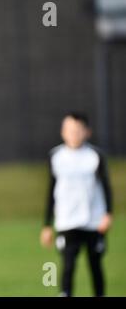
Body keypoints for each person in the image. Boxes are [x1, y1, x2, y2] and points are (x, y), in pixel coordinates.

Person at [40, 112, 113, 297]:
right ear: (63, 132)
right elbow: (51, 191)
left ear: (87, 132)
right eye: (70, 130)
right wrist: (47, 224)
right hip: (67, 221)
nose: (74, 134)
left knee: (95, 265)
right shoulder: (56, 156)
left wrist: (108, 214)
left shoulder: (95, 156)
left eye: (78, 130)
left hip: (93, 221)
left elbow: (105, 186)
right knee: (68, 265)